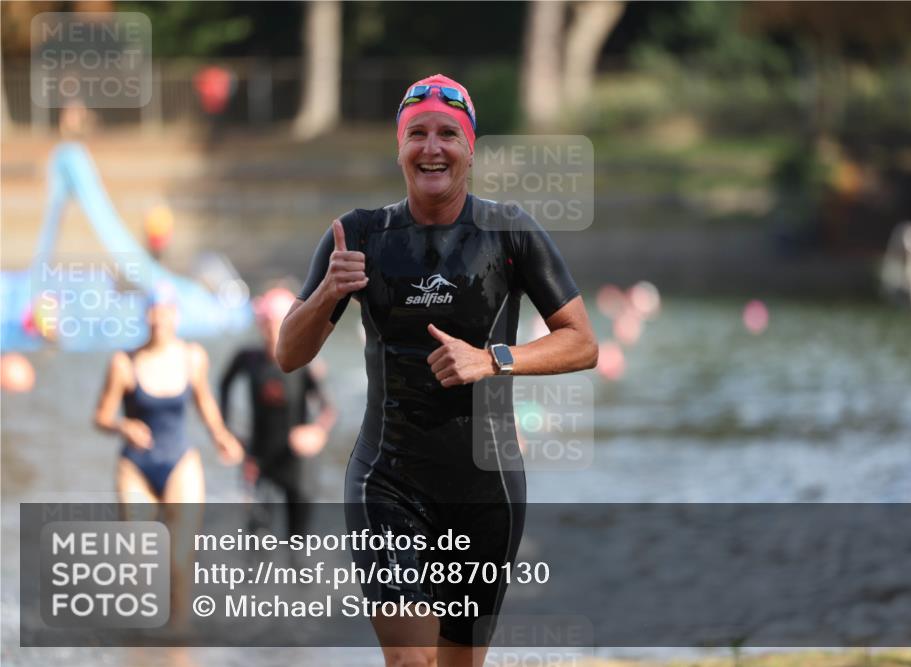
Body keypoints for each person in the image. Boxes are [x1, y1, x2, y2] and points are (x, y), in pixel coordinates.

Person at [276, 74, 598, 667]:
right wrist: (326, 294)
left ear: (469, 148)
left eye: (448, 133)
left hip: (486, 485)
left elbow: (582, 343)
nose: (432, 147)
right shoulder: (360, 235)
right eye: (417, 133)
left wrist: (495, 359)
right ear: (399, 148)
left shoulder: (510, 231)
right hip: (387, 479)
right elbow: (289, 354)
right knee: (409, 663)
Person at [93, 282, 243, 624]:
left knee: (179, 560)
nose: (156, 318)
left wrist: (221, 436)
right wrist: (122, 426)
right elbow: (100, 416)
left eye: (162, 311)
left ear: (175, 314)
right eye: (150, 311)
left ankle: (178, 643)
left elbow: (204, 401)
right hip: (135, 467)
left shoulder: (192, 357)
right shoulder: (124, 363)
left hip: (180, 463)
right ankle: (139, 646)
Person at [219, 287, 336, 540]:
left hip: (298, 465)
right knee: (256, 541)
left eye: (275, 322)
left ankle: (301, 578)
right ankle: (255, 579)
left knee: (299, 546)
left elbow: (328, 409)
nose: (270, 329)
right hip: (259, 459)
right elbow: (223, 385)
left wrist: (317, 432)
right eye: (265, 322)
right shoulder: (247, 358)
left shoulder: (307, 361)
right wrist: (226, 433)